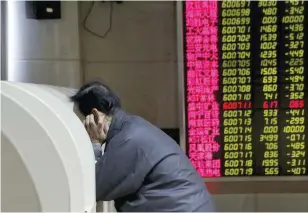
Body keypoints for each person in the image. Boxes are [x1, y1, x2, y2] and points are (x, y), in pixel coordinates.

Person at [70, 80, 214, 212]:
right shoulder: (132, 127)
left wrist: (94, 143)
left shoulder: (128, 139)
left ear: (95, 115)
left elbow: (94, 188)